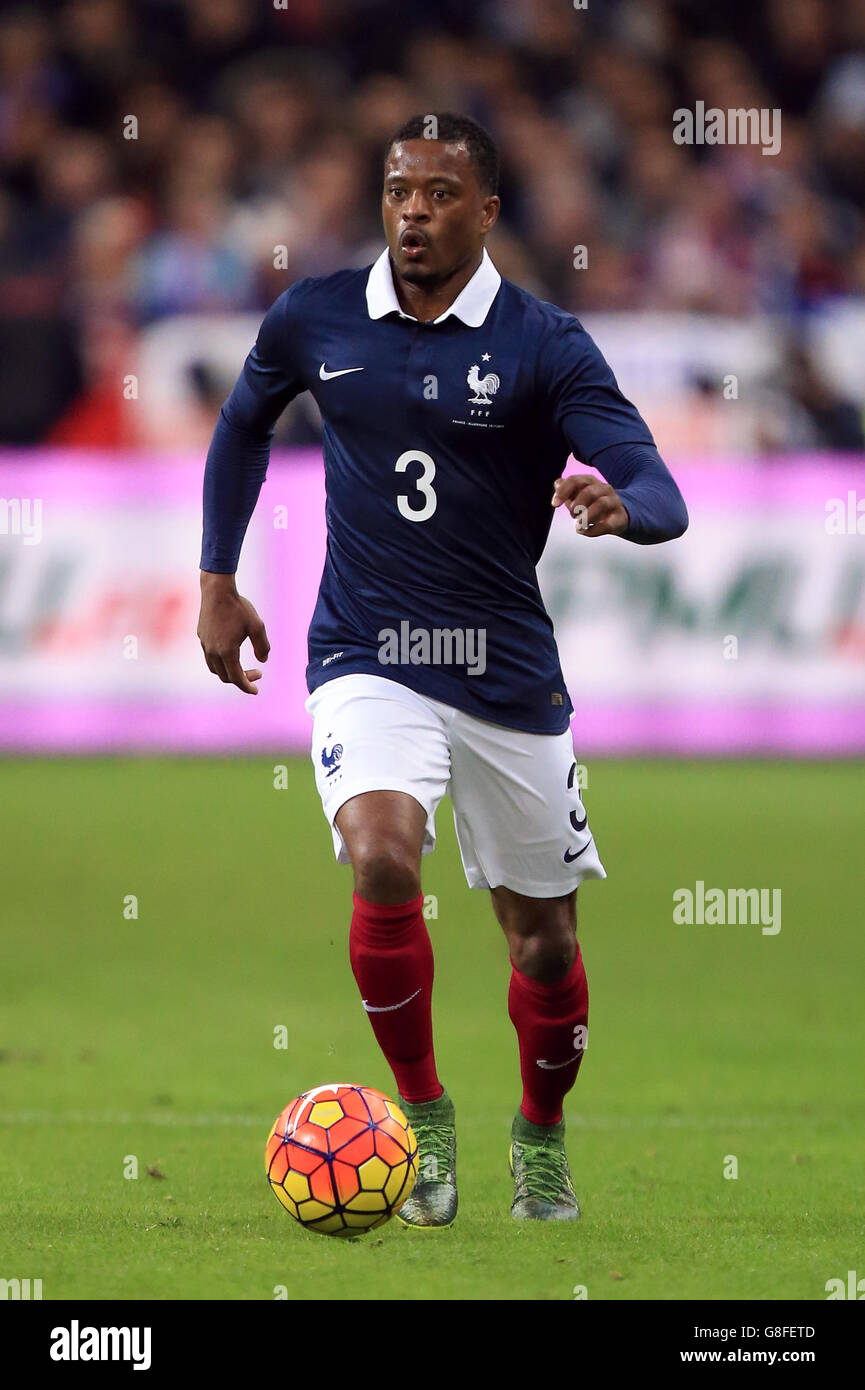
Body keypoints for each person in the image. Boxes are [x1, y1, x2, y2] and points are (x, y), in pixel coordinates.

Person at [197, 112, 688, 1227]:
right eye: (397, 190)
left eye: (437, 195)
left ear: (486, 211)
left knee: (545, 940)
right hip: (365, 652)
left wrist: (626, 510)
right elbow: (242, 422)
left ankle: (541, 1137)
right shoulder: (317, 313)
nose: (412, 211)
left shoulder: (543, 343)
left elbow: (658, 480)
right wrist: (216, 575)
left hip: (504, 670)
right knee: (380, 858)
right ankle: (420, 1118)